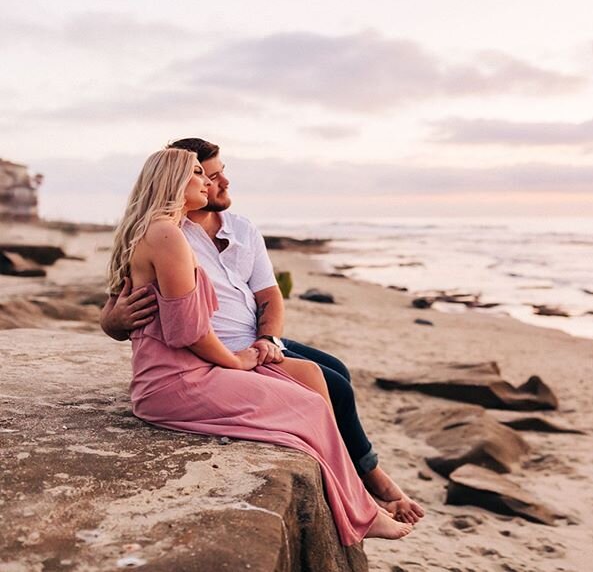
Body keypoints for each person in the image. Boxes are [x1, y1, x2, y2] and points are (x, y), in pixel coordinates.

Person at [101, 138, 424, 525]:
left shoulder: (240, 228)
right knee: (327, 391)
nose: (219, 183)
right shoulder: (169, 233)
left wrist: (267, 340)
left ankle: (354, 480)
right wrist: (117, 320)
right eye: (206, 174)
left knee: (334, 370)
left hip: (251, 338)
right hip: (208, 352)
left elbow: (269, 294)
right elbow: (165, 322)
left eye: (218, 175)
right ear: (176, 180)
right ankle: (368, 483)